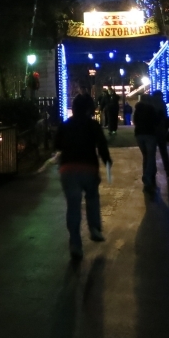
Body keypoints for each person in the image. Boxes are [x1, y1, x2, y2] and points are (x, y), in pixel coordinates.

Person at [54, 93, 113, 260]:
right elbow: (102, 145)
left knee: (73, 206)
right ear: (89, 108)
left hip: (68, 167)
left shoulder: (65, 125)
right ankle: (94, 228)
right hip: (88, 166)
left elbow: (56, 144)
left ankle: (75, 243)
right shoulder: (93, 125)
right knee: (92, 197)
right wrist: (107, 161)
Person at [133, 93, 161, 194]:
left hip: (139, 134)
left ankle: (149, 175)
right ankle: (148, 176)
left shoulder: (137, 109)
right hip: (149, 134)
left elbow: (135, 121)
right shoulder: (151, 109)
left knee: (145, 156)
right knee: (150, 156)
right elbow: (156, 121)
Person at [152, 90, 169, 181]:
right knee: (163, 150)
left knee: (151, 152)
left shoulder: (150, 103)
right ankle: (167, 168)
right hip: (161, 130)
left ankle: (152, 170)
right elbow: (165, 117)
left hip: (152, 130)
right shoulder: (162, 103)